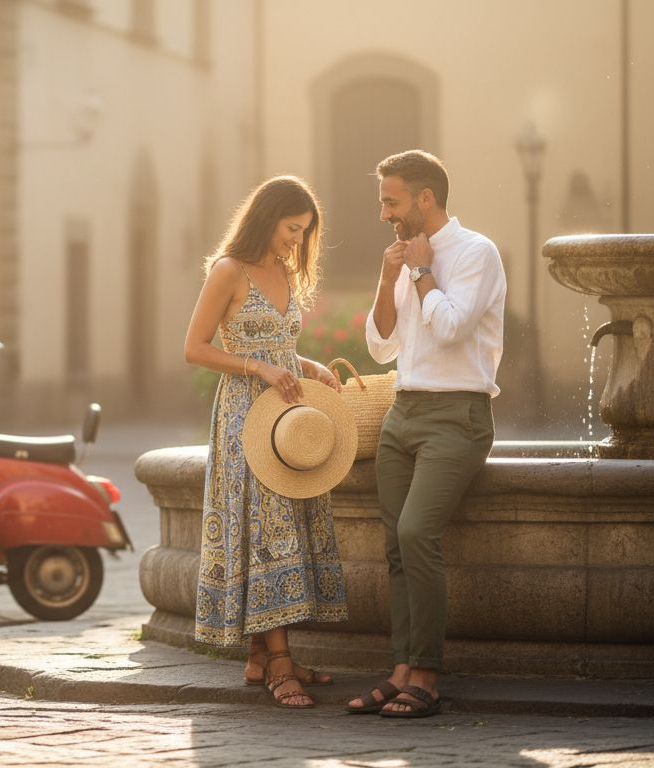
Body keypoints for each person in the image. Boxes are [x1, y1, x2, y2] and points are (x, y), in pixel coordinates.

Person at [345, 150, 506, 718]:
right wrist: (390, 275)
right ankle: (400, 670)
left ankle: (428, 677)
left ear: (425, 199)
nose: (384, 212)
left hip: (456, 416)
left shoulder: (475, 253)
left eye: (391, 201)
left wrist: (420, 271)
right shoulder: (403, 259)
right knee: (394, 547)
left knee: (416, 532)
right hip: (402, 414)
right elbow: (380, 345)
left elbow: (454, 327)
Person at [184, 175, 349, 709]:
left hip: (285, 412)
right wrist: (257, 367)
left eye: (304, 233)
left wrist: (308, 365)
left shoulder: (283, 270)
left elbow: (279, 344)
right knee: (262, 529)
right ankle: (279, 664)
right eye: (291, 229)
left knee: (285, 523)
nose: (297, 242)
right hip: (243, 418)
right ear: (266, 218)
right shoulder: (228, 271)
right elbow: (195, 348)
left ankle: (263, 655)